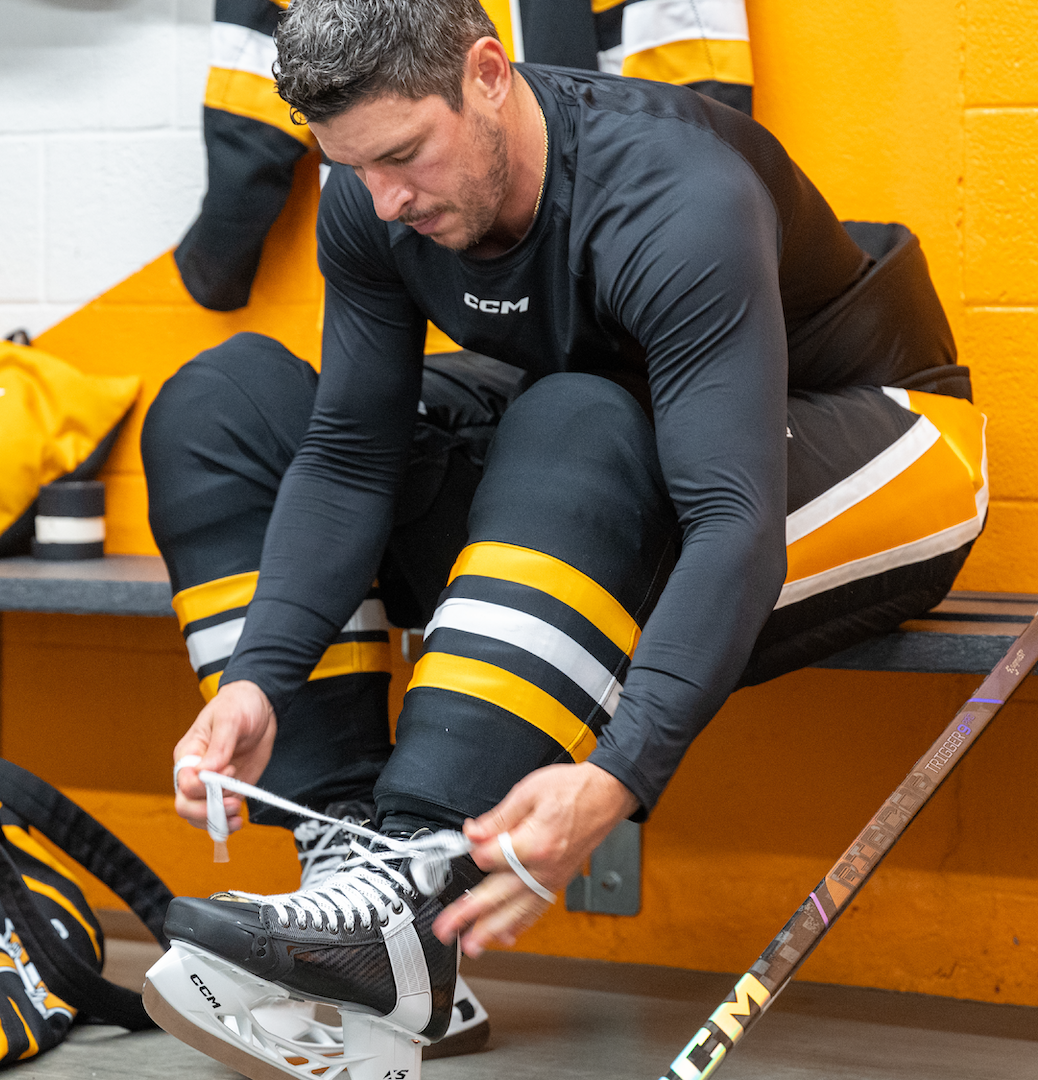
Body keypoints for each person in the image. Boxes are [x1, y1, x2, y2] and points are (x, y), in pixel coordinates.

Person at [145, 0, 986, 1067]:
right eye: (354, 168)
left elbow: (730, 516)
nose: (387, 200)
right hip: (628, 441)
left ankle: (410, 884)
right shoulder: (377, 196)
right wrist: (259, 677)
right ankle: (363, 898)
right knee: (223, 402)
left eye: (405, 154)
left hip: (879, 448)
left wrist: (621, 775)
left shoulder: (673, 192)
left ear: (489, 74)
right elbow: (352, 455)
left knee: (577, 413)